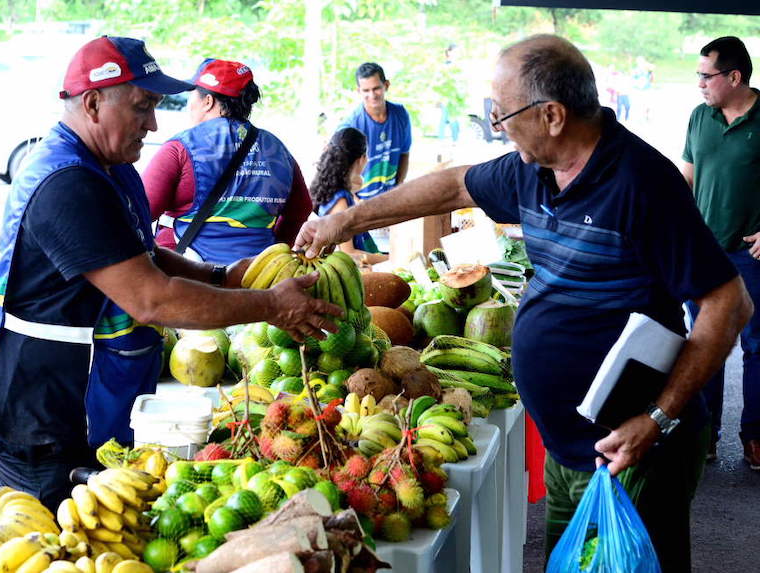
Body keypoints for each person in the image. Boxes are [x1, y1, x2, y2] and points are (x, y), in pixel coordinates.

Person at [296, 35, 753, 572]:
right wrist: (344, 220)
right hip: (568, 445)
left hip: (632, 450)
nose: (497, 126)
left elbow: (729, 302)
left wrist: (657, 416)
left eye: (501, 113)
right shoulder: (530, 168)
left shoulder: (641, 183)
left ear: (553, 115)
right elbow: (450, 188)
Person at [0, 36, 341, 512]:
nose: (154, 124)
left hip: (73, 400)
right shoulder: (67, 183)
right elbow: (152, 299)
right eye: (143, 107)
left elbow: (147, 256)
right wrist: (272, 306)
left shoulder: (108, 167)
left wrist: (225, 278)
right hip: (34, 413)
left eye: (158, 106)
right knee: (51, 548)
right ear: (94, 102)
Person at [143, 59, 312, 265]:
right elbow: (302, 207)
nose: (189, 104)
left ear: (208, 101)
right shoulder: (278, 150)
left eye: (192, 95)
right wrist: (273, 249)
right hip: (257, 277)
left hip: (190, 277)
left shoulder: (181, 147)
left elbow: (140, 210)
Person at [681, 36, 760, 469]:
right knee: (704, 343)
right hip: (705, 250)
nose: (700, 84)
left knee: (757, 345)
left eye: (706, 76)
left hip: (752, 253)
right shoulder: (700, 117)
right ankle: (704, 434)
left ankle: (755, 437)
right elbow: (687, 179)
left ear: (735, 77)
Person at [339, 62, 412, 252]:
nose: (372, 95)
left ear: (386, 85)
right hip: (361, 205)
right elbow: (336, 169)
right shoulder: (352, 124)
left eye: (376, 88)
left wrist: (397, 189)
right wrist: (355, 200)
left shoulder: (400, 115)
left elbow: (404, 153)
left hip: (389, 203)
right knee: (371, 260)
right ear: (358, 91)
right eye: (366, 90)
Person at [309, 127, 387, 266]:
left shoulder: (329, 186)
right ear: (361, 159)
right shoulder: (341, 202)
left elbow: (356, 184)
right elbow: (349, 254)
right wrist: (391, 259)